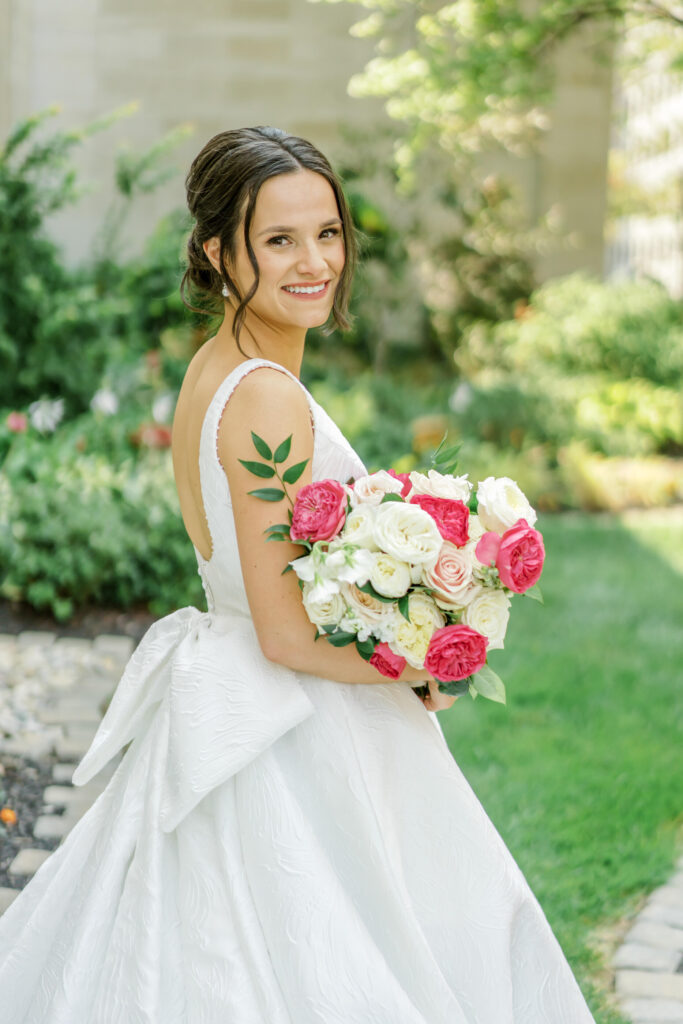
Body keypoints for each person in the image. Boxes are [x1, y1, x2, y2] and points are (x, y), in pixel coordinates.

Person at [0, 126, 597, 1023]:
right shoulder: (264, 393)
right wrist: (428, 659)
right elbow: (283, 631)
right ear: (216, 251)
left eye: (326, 232)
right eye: (278, 240)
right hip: (288, 719)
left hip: (249, 688)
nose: (313, 261)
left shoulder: (220, 367)